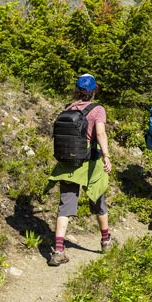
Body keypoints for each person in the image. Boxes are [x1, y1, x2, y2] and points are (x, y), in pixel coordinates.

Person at [47, 73, 112, 266]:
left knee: (65, 206)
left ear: (77, 90)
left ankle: (58, 251)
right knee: (98, 199)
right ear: (94, 91)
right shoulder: (97, 109)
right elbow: (100, 133)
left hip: (67, 164)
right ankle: (106, 241)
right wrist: (107, 156)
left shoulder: (68, 108)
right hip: (90, 162)